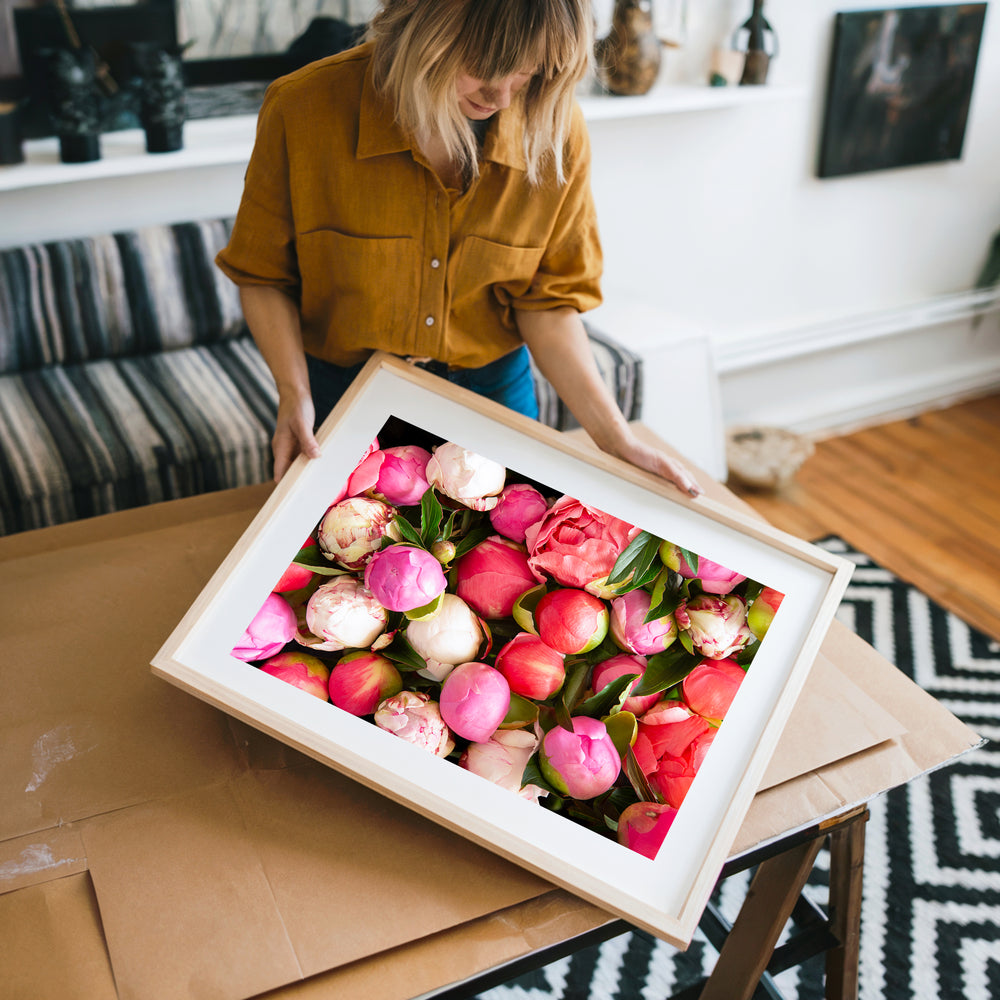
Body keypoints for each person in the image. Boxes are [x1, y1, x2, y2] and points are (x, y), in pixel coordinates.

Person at [216, 0, 701, 495]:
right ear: (426, 25)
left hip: (493, 393)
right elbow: (262, 277)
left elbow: (547, 304)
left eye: (528, 72)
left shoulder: (556, 131)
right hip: (347, 393)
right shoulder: (303, 109)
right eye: (485, 68)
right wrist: (292, 393)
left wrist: (616, 438)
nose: (503, 96)